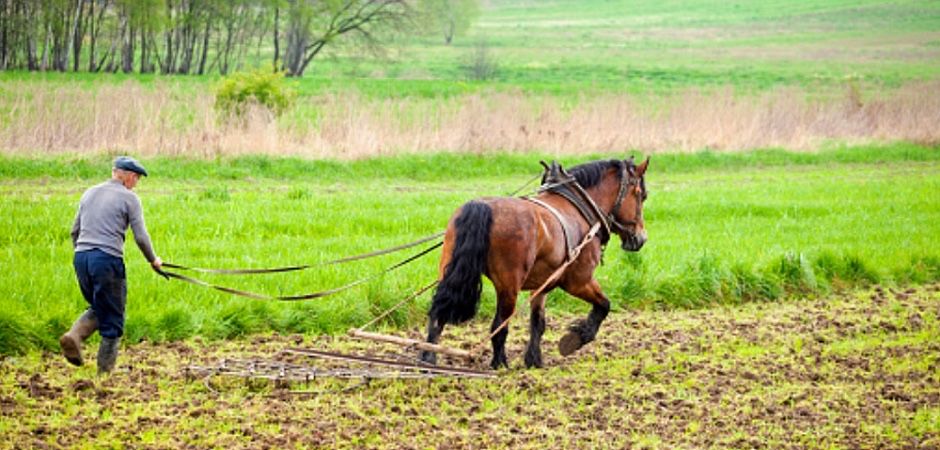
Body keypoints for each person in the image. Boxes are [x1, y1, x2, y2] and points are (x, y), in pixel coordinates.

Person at [60, 156, 163, 374]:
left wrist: (84, 254)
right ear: (129, 176)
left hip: (81, 257)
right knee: (114, 316)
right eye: (136, 179)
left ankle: (74, 335)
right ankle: (104, 373)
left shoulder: (89, 192)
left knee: (100, 307)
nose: (136, 184)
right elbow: (141, 237)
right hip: (106, 260)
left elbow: (74, 231)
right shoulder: (129, 198)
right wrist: (153, 260)